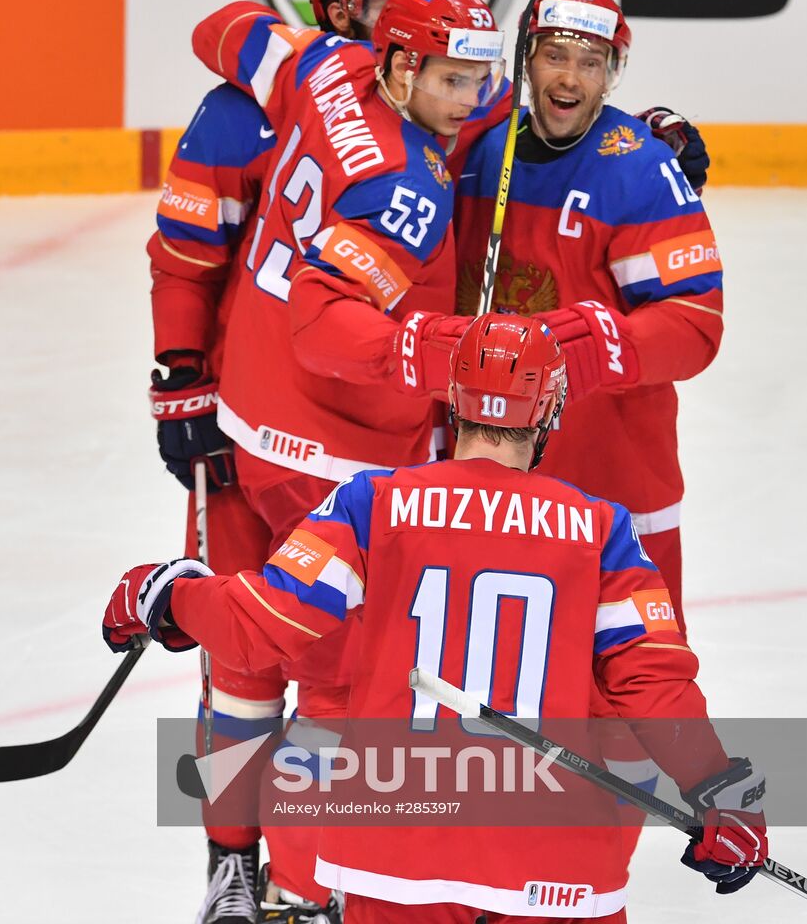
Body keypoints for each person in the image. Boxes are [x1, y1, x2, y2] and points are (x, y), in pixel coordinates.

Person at [104, 314, 767, 923]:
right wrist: (717, 791)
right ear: (550, 411)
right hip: (553, 861)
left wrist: (165, 592)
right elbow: (653, 683)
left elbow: (261, 625)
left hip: (395, 855)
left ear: (454, 404)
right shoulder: (599, 529)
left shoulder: (372, 505)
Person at [146, 0, 436, 920]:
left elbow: (222, 25)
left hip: (339, 440)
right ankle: (237, 859)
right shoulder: (246, 112)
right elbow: (185, 254)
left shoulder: (386, 92)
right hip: (250, 431)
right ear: (342, 8)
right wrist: (179, 376)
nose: (414, 7)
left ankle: (318, 871)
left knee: (331, 665)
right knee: (251, 659)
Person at [454, 0, 723, 631]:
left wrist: (576, 345)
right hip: (486, 471)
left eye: (590, 61)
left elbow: (694, 326)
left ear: (611, 75)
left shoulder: (637, 170)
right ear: (525, 62)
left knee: (636, 678)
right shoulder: (479, 150)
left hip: (614, 474)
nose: (569, 76)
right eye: (553, 54)